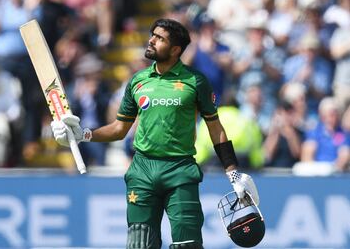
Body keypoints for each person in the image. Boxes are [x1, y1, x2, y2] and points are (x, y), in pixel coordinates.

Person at [50, 19, 259, 249]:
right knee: (140, 243)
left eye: (160, 38)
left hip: (180, 171)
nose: (151, 40)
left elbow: (215, 128)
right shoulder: (138, 81)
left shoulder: (196, 81)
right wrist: (83, 134)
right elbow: (119, 129)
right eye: (152, 35)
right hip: (142, 172)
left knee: (187, 245)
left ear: (175, 49)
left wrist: (232, 173)